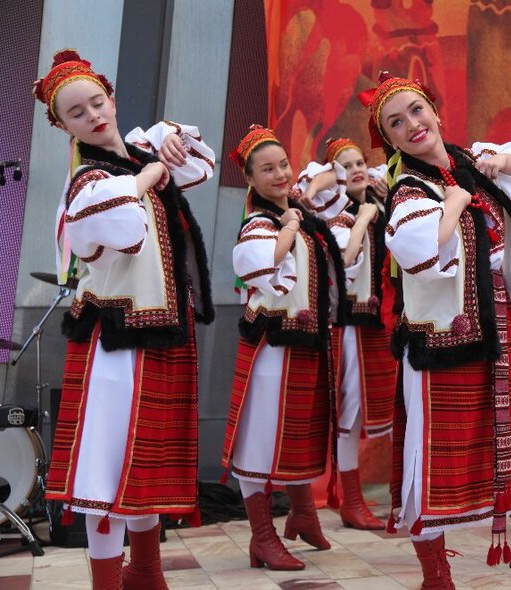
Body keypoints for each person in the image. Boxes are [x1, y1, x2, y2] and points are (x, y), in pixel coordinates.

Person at [364, 72, 511, 589]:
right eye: (396, 123)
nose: (412, 125)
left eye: (416, 111)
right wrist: (455, 203)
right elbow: (422, 258)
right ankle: (436, 574)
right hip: (442, 346)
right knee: (427, 457)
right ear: (390, 141)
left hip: (498, 337)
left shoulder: (473, 167)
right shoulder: (410, 191)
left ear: (435, 111)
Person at [35, 49, 215, 590]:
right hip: (114, 340)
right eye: (77, 112)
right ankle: (109, 582)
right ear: (64, 126)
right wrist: (149, 174)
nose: (93, 114)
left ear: (111, 99)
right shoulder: (86, 183)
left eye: (98, 101)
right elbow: (117, 226)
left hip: (163, 332)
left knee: (148, 464)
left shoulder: (137, 154)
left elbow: (201, 165)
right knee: (106, 468)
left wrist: (170, 142)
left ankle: (148, 573)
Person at [220, 125, 348, 570]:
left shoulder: (300, 213)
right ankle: (262, 536)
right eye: (268, 169)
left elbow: (337, 186)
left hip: (305, 342)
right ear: (251, 180)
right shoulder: (260, 222)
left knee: (297, 432)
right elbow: (267, 263)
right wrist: (290, 224)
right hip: (271, 347)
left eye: (283, 165)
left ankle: (303, 514)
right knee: (259, 440)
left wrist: (301, 208)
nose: (280, 174)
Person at [321, 137, 397, 529]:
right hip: (350, 323)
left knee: (386, 406)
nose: (356, 170)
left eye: (358, 163)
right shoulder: (340, 215)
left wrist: (377, 209)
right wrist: (365, 216)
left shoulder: (381, 206)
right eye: (345, 166)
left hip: (381, 321)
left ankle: (400, 495)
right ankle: (350, 501)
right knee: (349, 413)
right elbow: (344, 258)